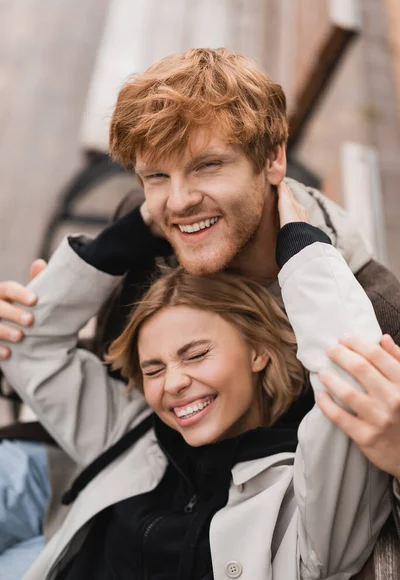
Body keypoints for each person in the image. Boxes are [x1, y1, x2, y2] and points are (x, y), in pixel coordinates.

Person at [0, 47, 399, 578]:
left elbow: (345, 509)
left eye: (207, 165)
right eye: (156, 176)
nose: (179, 201)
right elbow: (113, 389)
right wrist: (49, 300)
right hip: (113, 485)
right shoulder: (155, 234)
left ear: (273, 159)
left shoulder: (373, 315)